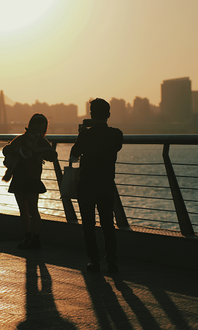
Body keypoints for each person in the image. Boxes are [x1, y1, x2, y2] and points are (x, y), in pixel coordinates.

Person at [70, 98, 123, 273]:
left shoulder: (86, 135)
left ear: (91, 114)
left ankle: (94, 261)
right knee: (108, 223)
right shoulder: (116, 134)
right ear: (108, 114)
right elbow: (116, 147)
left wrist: (82, 134)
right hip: (106, 184)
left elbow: (75, 155)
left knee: (88, 224)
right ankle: (112, 262)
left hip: (86, 184)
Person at [3, 113, 57, 249]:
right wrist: (18, 151)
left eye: (41, 127)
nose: (38, 129)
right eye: (36, 126)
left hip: (31, 178)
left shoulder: (40, 142)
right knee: (24, 209)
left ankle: (35, 238)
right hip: (21, 176)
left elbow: (52, 156)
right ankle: (28, 237)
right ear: (31, 126)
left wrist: (38, 152)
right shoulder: (21, 140)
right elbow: (6, 149)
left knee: (32, 209)